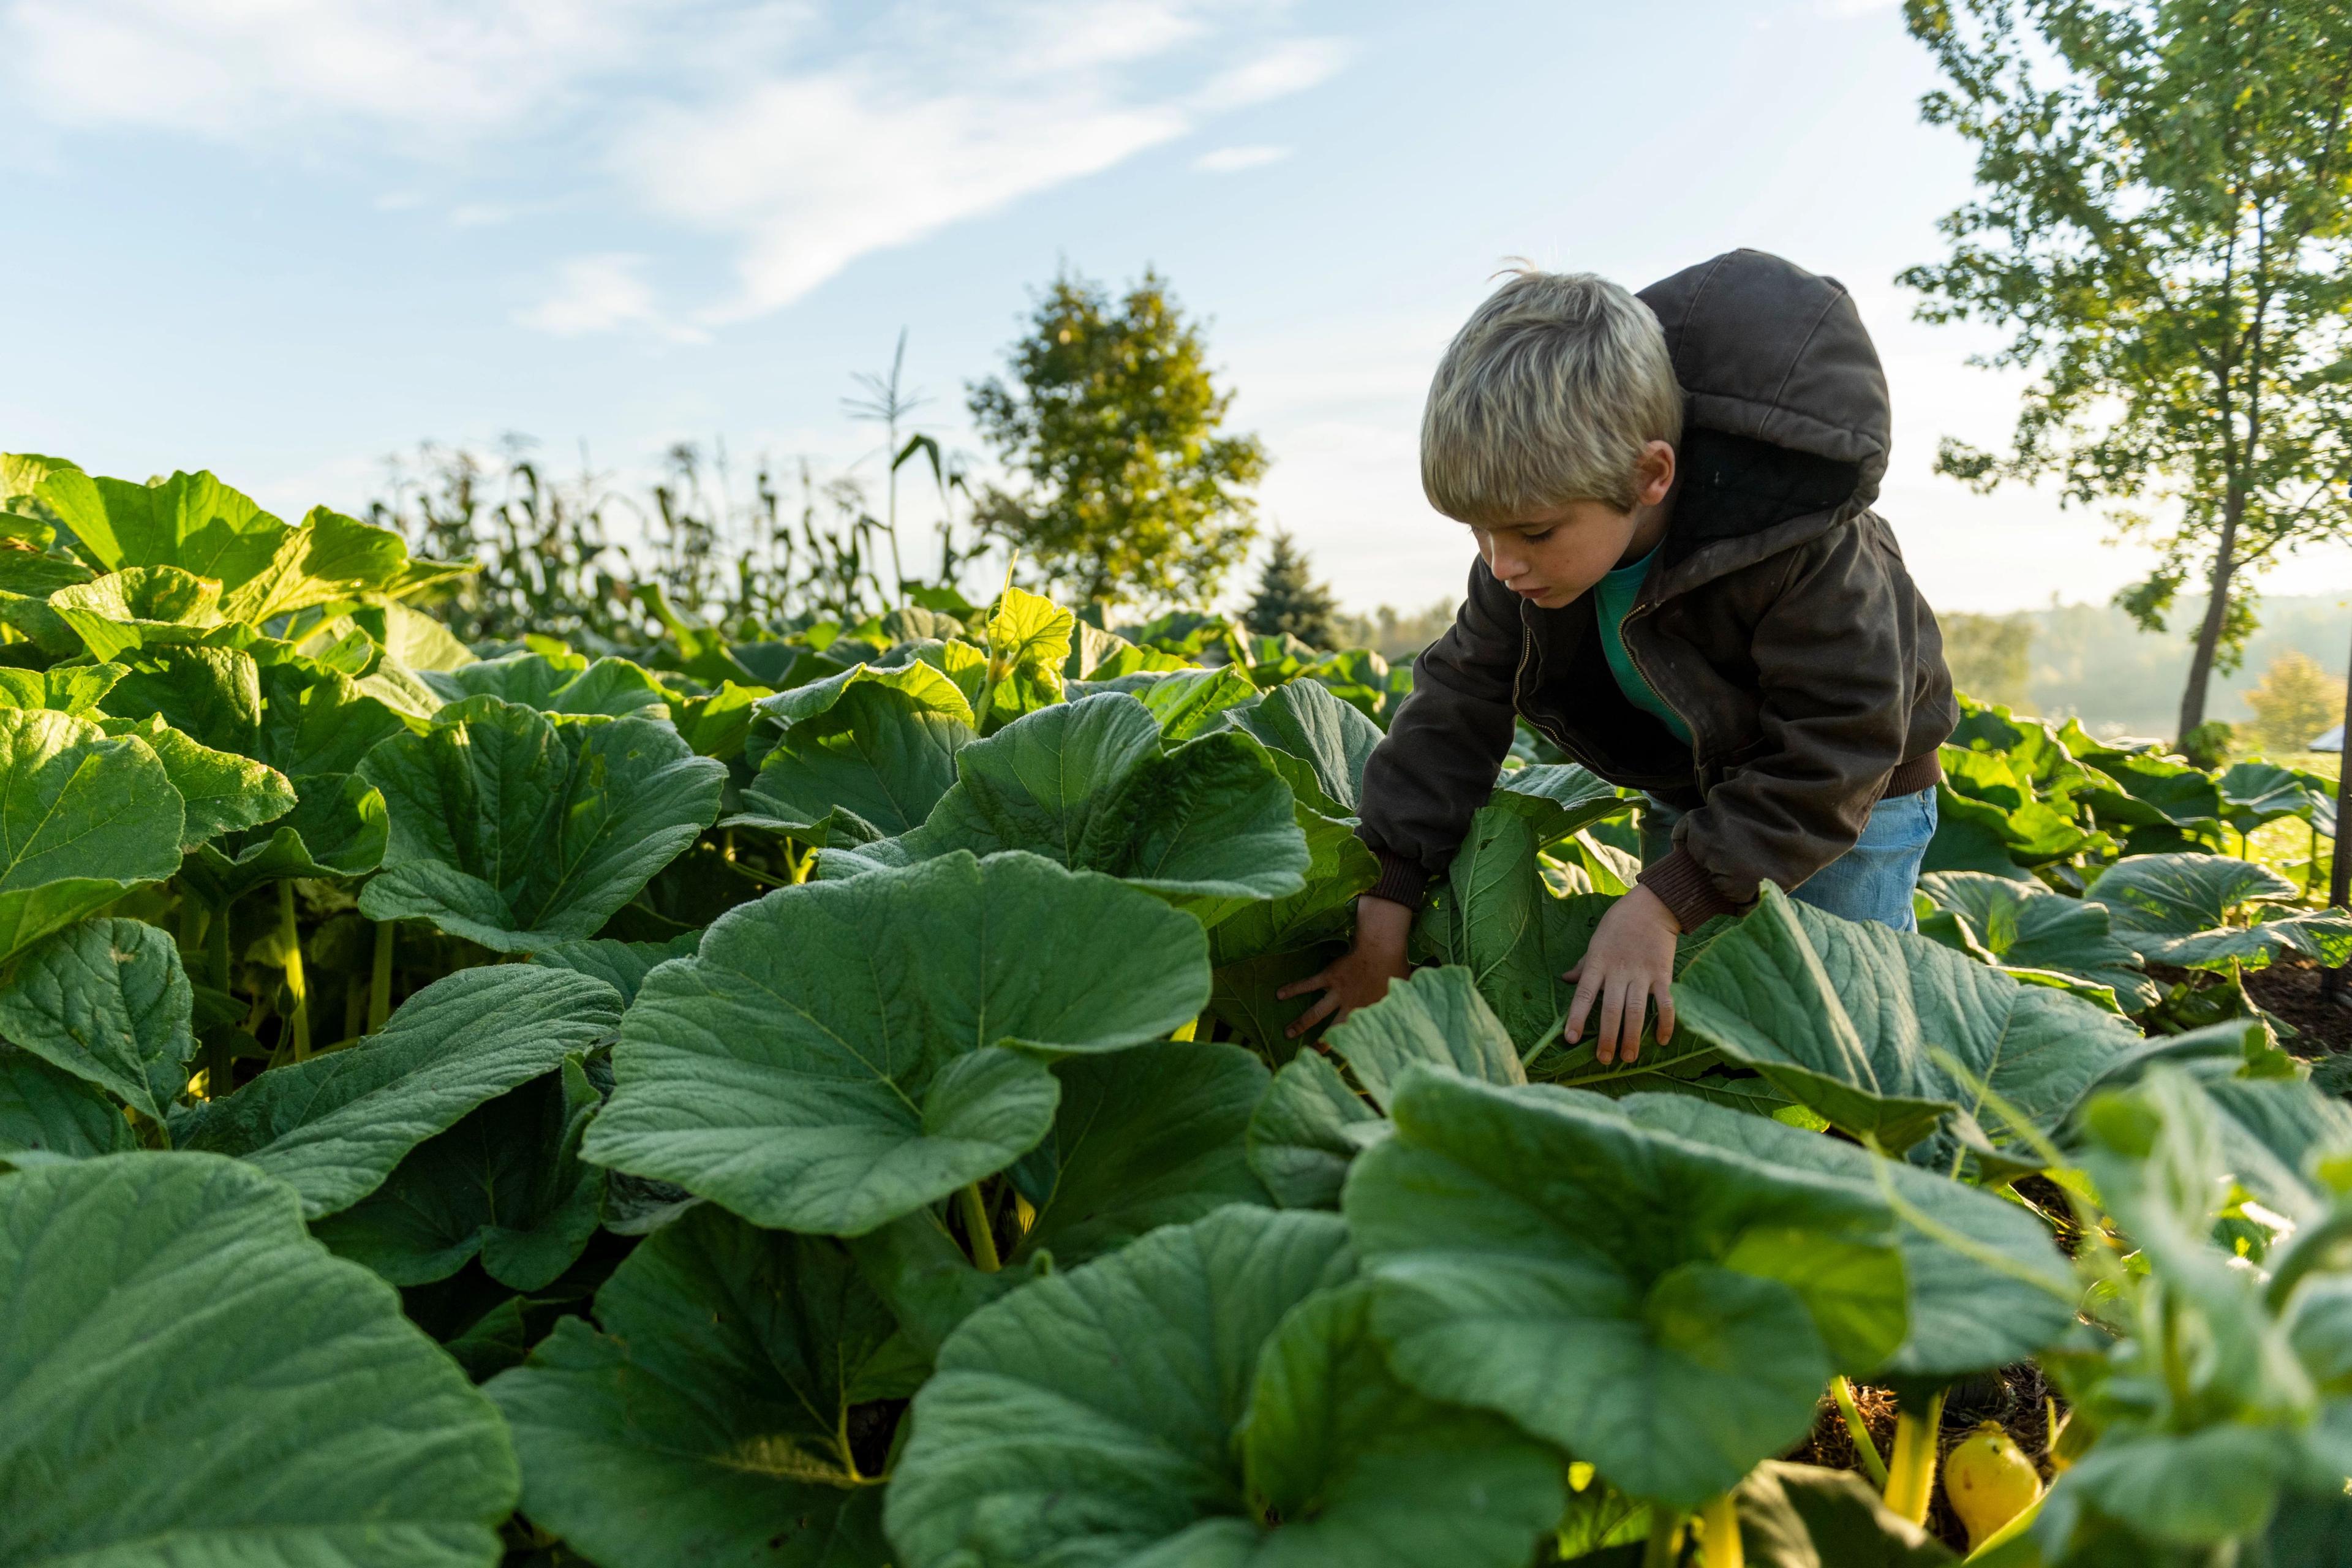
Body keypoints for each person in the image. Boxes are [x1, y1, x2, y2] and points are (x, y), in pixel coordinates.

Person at [1280, 249, 1956, 1065]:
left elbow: (1839, 743)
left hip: (1851, 804)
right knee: (1690, 1029)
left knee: (1846, 1035)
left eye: (1532, 533)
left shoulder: (1803, 552)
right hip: (1691, 787)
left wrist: (1667, 900)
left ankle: (1896, 1179)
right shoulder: (1520, 565)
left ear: (1650, 475)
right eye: (1479, 534)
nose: (1502, 564)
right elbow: (1453, 716)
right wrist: (1384, 907)